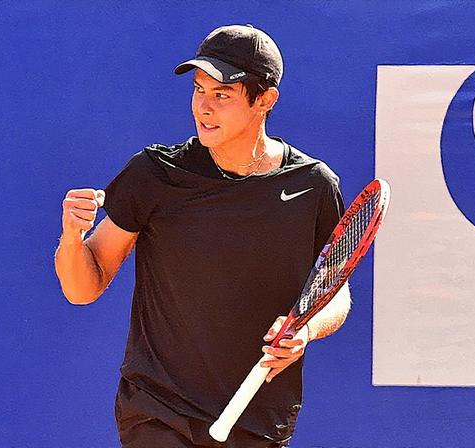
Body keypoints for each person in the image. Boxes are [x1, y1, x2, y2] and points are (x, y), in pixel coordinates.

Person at [54, 24, 351, 447]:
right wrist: (71, 238)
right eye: (199, 91)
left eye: (222, 96)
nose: (203, 108)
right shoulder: (154, 174)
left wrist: (307, 329)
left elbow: (335, 292)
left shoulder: (314, 186)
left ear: (265, 101)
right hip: (158, 411)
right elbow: (83, 287)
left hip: (257, 418)